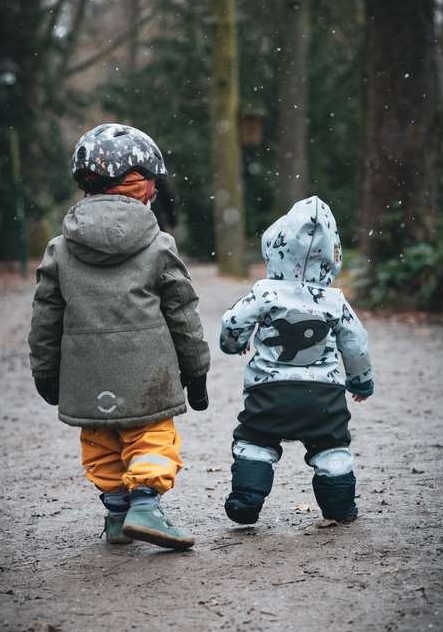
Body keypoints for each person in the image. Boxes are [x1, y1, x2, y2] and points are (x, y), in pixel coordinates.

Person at [28, 123, 210, 551]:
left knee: (100, 440)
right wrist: (196, 371)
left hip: (86, 375)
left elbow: (45, 318)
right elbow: (182, 312)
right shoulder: (158, 244)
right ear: (147, 187)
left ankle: (116, 513)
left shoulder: (60, 248)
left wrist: (44, 372)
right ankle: (145, 505)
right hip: (148, 374)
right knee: (152, 438)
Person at [219, 196, 373, 526]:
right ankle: (339, 505)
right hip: (324, 396)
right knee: (331, 447)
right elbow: (355, 341)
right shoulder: (336, 300)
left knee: (255, 439)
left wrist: (235, 344)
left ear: (275, 247)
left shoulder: (265, 292)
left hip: (270, 391)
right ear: (333, 258)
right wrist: (360, 380)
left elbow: (233, 321)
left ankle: (247, 498)